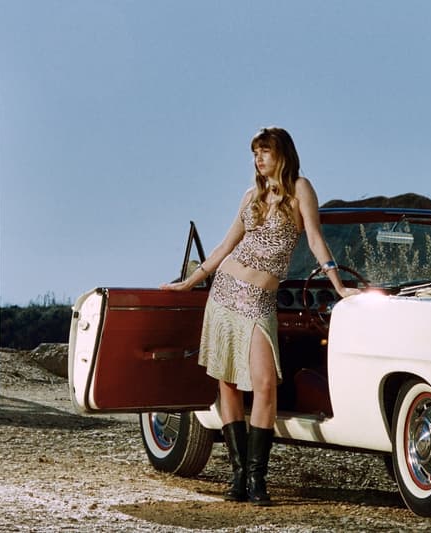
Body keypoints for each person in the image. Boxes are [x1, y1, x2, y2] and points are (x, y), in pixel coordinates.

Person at [161, 127, 358, 506]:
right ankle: (239, 478)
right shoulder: (250, 197)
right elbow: (224, 245)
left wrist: (339, 285)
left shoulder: (300, 189)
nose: (258, 159)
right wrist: (190, 284)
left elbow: (315, 239)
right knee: (229, 383)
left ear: (281, 154)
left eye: (265, 152)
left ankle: (257, 477)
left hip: (260, 301)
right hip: (225, 292)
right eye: (255, 153)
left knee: (265, 384)